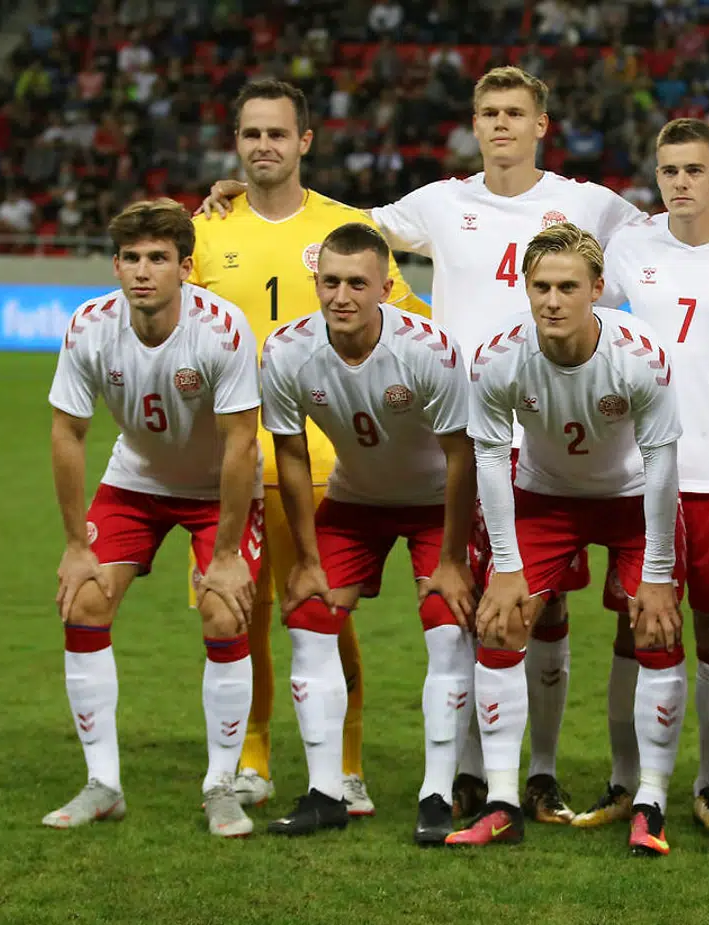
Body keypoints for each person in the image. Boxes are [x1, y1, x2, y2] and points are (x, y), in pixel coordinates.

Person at [205, 65, 709, 827]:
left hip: (562, 436)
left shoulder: (590, 205)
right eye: (488, 113)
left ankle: (536, 772)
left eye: (516, 112)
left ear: (543, 124)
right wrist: (250, 191)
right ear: (473, 125)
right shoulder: (441, 202)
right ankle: (473, 774)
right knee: (489, 610)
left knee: (541, 613)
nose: (501, 124)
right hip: (471, 436)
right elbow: (340, 226)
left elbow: (678, 219)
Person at [191, 78, 429, 815]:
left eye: (277, 133)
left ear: (305, 142)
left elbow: (409, 316)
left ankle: (348, 764)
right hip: (230, 465)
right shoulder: (203, 232)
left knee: (323, 611)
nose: (264, 146)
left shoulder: (344, 227)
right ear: (237, 143)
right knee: (242, 613)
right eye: (251, 133)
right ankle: (254, 758)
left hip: (325, 463)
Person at [447, 223, 686, 856]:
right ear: (525, 288)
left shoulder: (639, 354)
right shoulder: (499, 355)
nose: (552, 301)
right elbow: (491, 461)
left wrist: (658, 575)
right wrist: (505, 566)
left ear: (597, 290)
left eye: (568, 287)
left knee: (656, 628)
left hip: (631, 500)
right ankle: (504, 800)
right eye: (541, 287)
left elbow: (663, 466)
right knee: (500, 623)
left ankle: (650, 802)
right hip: (544, 497)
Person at [43, 199, 263, 838]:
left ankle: (221, 785)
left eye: (158, 259)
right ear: (115, 265)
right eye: (132, 258)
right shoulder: (89, 325)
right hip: (133, 483)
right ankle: (103, 784)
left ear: (185, 268)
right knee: (83, 601)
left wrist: (223, 555)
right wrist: (73, 544)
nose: (143, 271)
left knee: (225, 611)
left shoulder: (221, 329)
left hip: (215, 492)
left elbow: (240, 445)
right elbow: (67, 433)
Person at [593, 117, 709, 835]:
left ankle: (708, 786)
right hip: (639, 474)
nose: (679, 182)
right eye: (668, 169)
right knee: (637, 627)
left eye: (693, 170)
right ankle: (631, 781)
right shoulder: (629, 246)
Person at [257, 223, 477, 844]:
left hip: (437, 505)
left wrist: (455, 558)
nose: (342, 295)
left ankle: (436, 793)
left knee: (445, 620)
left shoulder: (429, 349)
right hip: (355, 502)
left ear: (386, 286)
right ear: (316, 283)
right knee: (307, 614)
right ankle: (326, 792)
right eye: (330, 281)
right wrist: (305, 557)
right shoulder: (286, 350)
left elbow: (462, 456)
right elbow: (292, 454)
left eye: (358, 282)